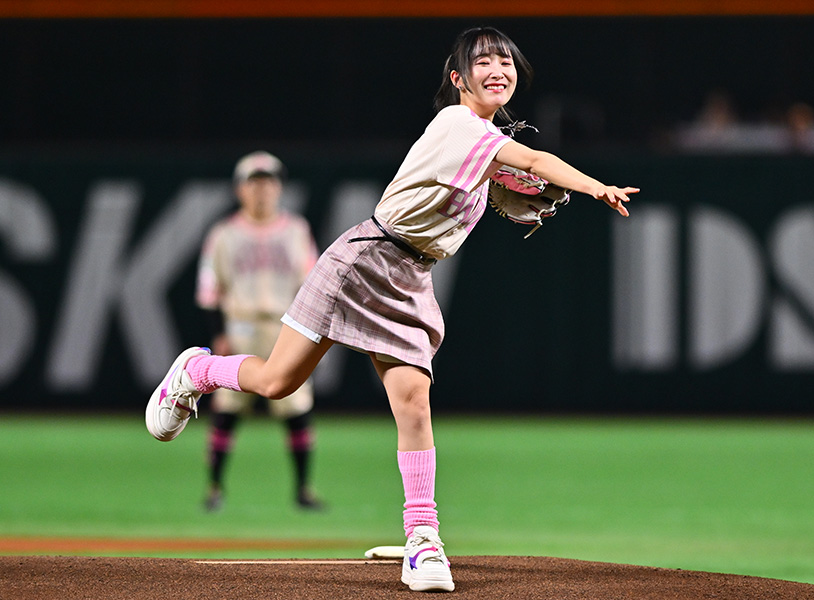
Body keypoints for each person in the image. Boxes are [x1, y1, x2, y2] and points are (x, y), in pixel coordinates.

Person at [146, 26, 638, 593]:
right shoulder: (458, 125)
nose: (498, 69)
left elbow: (508, 171)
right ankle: (197, 371)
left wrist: (512, 185)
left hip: (410, 277)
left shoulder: (484, 146)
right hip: (364, 260)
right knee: (278, 382)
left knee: (413, 402)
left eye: (506, 61)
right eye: (483, 61)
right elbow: (532, 157)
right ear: (458, 79)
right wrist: (595, 186)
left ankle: (423, 539)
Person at [195, 150, 323, 512]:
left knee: (297, 408)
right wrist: (218, 333)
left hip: (286, 327)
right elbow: (209, 290)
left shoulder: (297, 230)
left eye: (269, 182)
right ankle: (214, 487)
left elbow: (312, 285)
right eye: (254, 183)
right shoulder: (224, 234)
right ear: (240, 189)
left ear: (279, 188)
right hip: (241, 327)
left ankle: (304, 489)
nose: (262, 190)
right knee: (227, 409)